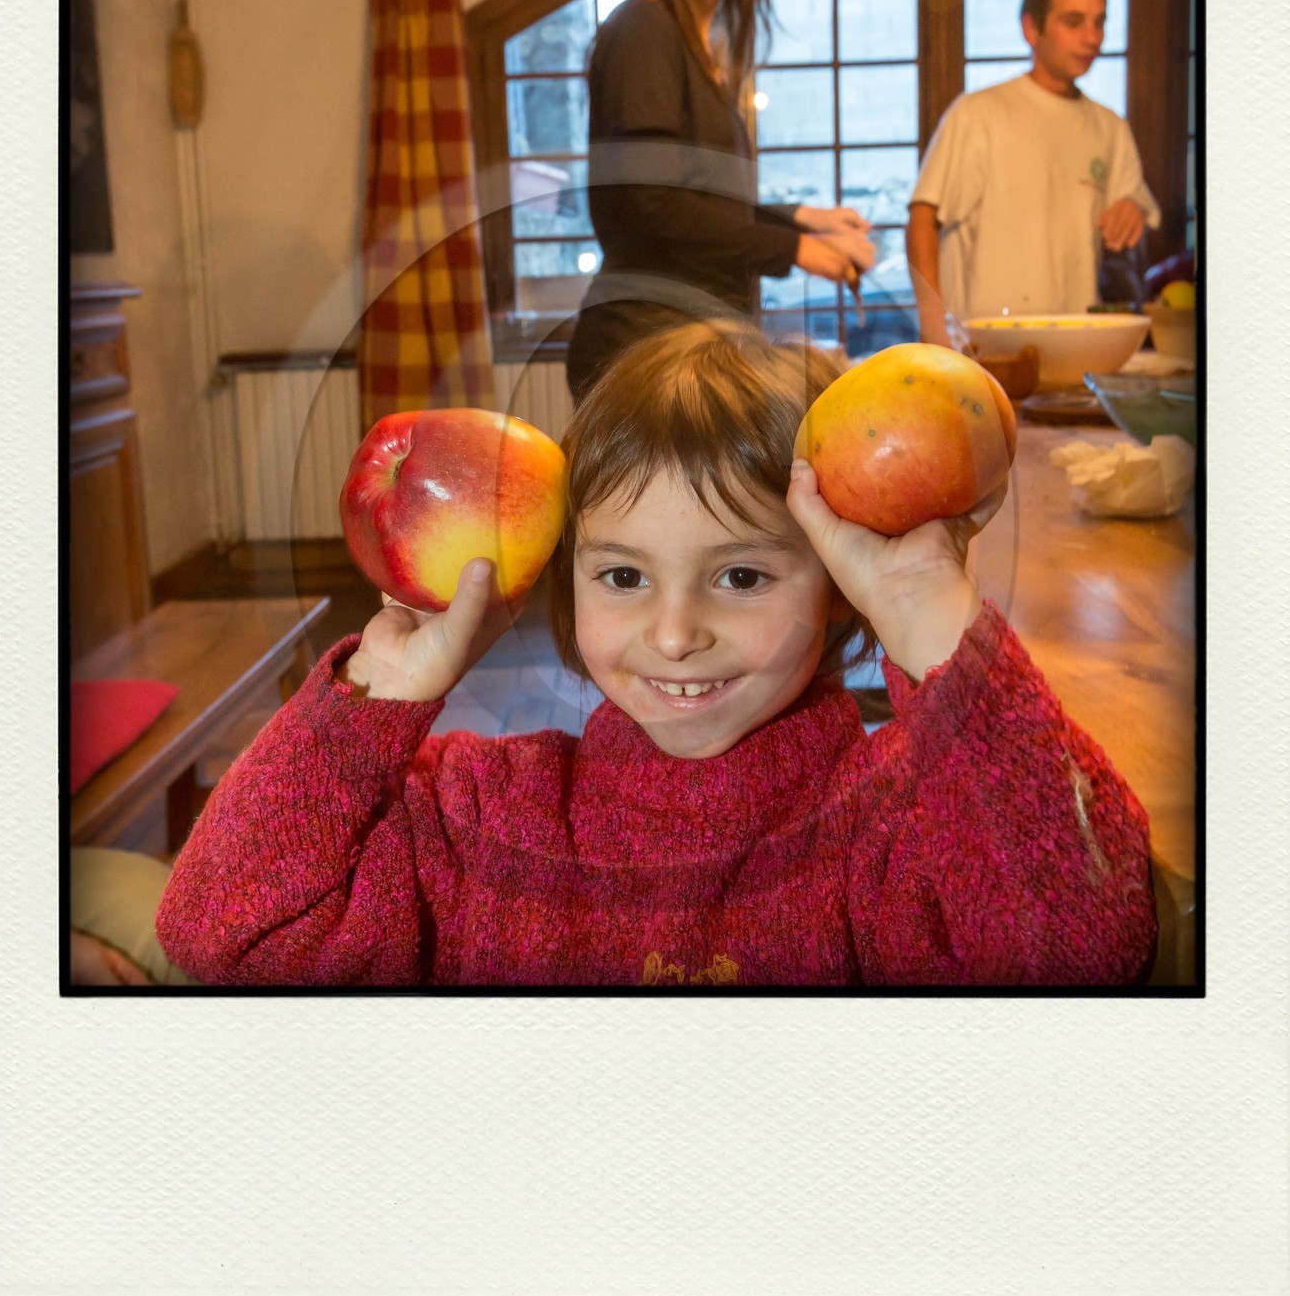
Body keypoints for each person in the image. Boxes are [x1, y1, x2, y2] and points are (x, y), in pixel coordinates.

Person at [155, 319, 1157, 988]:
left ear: (839, 588)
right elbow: (221, 929)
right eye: (624, 576)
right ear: (564, 576)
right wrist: (381, 688)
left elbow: (1079, 951)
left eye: (742, 576)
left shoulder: (903, 818)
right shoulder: (482, 815)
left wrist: (925, 617)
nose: (675, 635)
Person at [564, 0, 876, 401]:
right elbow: (650, 202)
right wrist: (796, 249)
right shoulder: (644, 30)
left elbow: (699, 198)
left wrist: (802, 219)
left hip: (681, 343)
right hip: (644, 349)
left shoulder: (691, 40)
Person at [907, 0, 1162, 348]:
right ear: (1031, 28)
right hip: (984, 350)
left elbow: (1136, 210)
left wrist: (1132, 209)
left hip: (1076, 347)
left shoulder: (1109, 127)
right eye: (1074, 22)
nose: (1092, 38)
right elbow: (923, 217)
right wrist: (934, 328)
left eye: (1099, 23)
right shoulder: (978, 113)